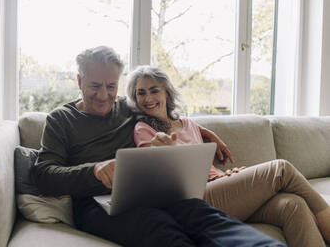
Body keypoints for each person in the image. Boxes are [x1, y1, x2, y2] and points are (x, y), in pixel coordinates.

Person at [32, 46, 285, 247]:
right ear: (79, 81)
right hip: (95, 203)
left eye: (111, 86)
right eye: (95, 86)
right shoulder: (60, 119)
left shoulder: (126, 107)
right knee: (160, 229)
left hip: (150, 192)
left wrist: (206, 132)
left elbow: (167, 118)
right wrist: (96, 170)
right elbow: (43, 175)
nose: (103, 95)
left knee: (207, 217)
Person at [125, 65, 330, 247]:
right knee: (281, 169)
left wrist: (227, 176)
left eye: (154, 90)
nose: (148, 98)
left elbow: (203, 162)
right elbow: (153, 167)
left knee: (293, 205)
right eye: (141, 93)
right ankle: (327, 218)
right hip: (195, 199)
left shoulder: (188, 124)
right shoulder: (143, 129)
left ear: (167, 93)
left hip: (220, 186)